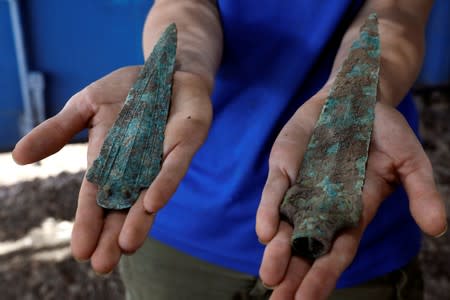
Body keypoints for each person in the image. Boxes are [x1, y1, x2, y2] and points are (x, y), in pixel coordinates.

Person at [13, 0, 447, 299]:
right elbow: (185, 4)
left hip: (360, 248)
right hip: (179, 207)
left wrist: (359, 91)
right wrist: (183, 68)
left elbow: (397, 14)